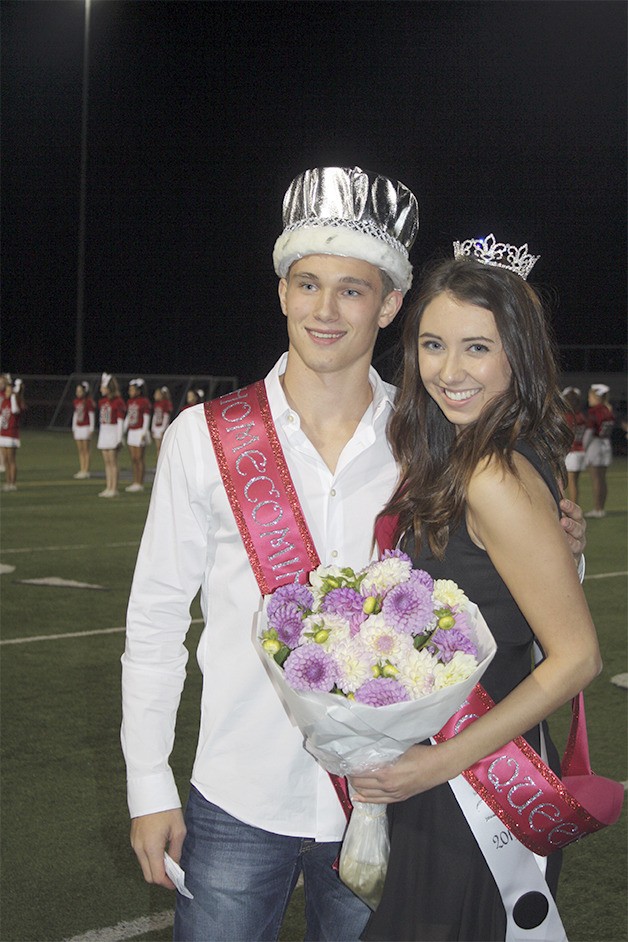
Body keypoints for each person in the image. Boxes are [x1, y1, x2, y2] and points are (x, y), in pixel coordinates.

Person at [121, 170, 586, 942]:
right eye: (307, 284)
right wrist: (147, 786)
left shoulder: (431, 439)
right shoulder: (205, 437)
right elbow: (155, 622)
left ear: (391, 304)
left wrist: (564, 544)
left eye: (352, 291)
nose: (325, 311)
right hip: (240, 793)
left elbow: (508, 595)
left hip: (388, 798)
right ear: (281, 292)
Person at [351, 238, 601, 942]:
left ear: (517, 355)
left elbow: (577, 657)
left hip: (476, 785)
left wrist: (435, 763)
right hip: (449, 776)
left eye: (477, 349)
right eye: (433, 344)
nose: (449, 371)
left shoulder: (491, 471)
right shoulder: (463, 458)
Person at [583, 382, 614, 518]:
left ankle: (597, 509)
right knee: (602, 479)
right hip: (606, 445)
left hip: (595, 445)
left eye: (590, 396)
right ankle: (601, 508)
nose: (589, 399)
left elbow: (589, 431)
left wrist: (584, 447)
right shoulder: (608, 410)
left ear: (597, 397)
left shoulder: (594, 411)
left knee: (596, 479)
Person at [97, 373, 126, 498]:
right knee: (107, 462)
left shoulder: (118, 402)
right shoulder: (102, 401)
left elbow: (120, 420)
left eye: (103, 387)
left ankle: (114, 488)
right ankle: (108, 486)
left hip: (113, 431)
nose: (101, 389)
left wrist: (119, 437)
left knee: (113, 462)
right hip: (104, 431)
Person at [123, 378, 152, 493]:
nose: (130, 392)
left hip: (139, 431)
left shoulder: (144, 402)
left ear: (138, 391)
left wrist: (144, 432)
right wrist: (123, 431)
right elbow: (128, 417)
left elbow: (146, 417)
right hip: (132, 431)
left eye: (132, 390)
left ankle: (140, 482)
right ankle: (135, 482)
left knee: (139, 458)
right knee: (133, 459)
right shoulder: (130, 402)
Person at [561, 385, 587, 503]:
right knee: (574, 482)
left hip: (571, 452)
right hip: (580, 450)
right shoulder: (581, 416)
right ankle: (574, 505)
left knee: (568, 483)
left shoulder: (567, 417)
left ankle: (571, 508)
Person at [0, 376, 25, 492]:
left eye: (9, 391)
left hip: (11, 434)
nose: (7, 393)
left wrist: (14, 396)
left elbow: (14, 411)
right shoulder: (4, 402)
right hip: (3, 433)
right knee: (5, 460)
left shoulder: (15, 403)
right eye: (6, 391)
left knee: (11, 460)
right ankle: (7, 482)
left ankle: (13, 483)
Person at [72, 381, 96, 479]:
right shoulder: (76, 401)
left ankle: (86, 470)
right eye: (77, 391)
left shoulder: (89, 402)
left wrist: (91, 428)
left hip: (86, 427)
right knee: (80, 450)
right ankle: (82, 469)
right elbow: (75, 415)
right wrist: (74, 427)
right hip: (78, 427)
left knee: (86, 450)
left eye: (80, 391)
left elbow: (91, 415)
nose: (78, 393)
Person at [151, 386, 172, 456]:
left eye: (157, 394)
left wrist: (163, 429)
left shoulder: (165, 403)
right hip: (157, 427)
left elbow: (166, 416)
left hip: (162, 427)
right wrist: (153, 428)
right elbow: (155, 416)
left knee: (163, 448)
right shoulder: (156, 404)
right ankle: (158, 464)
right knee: (158, 448)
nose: (155, 396)